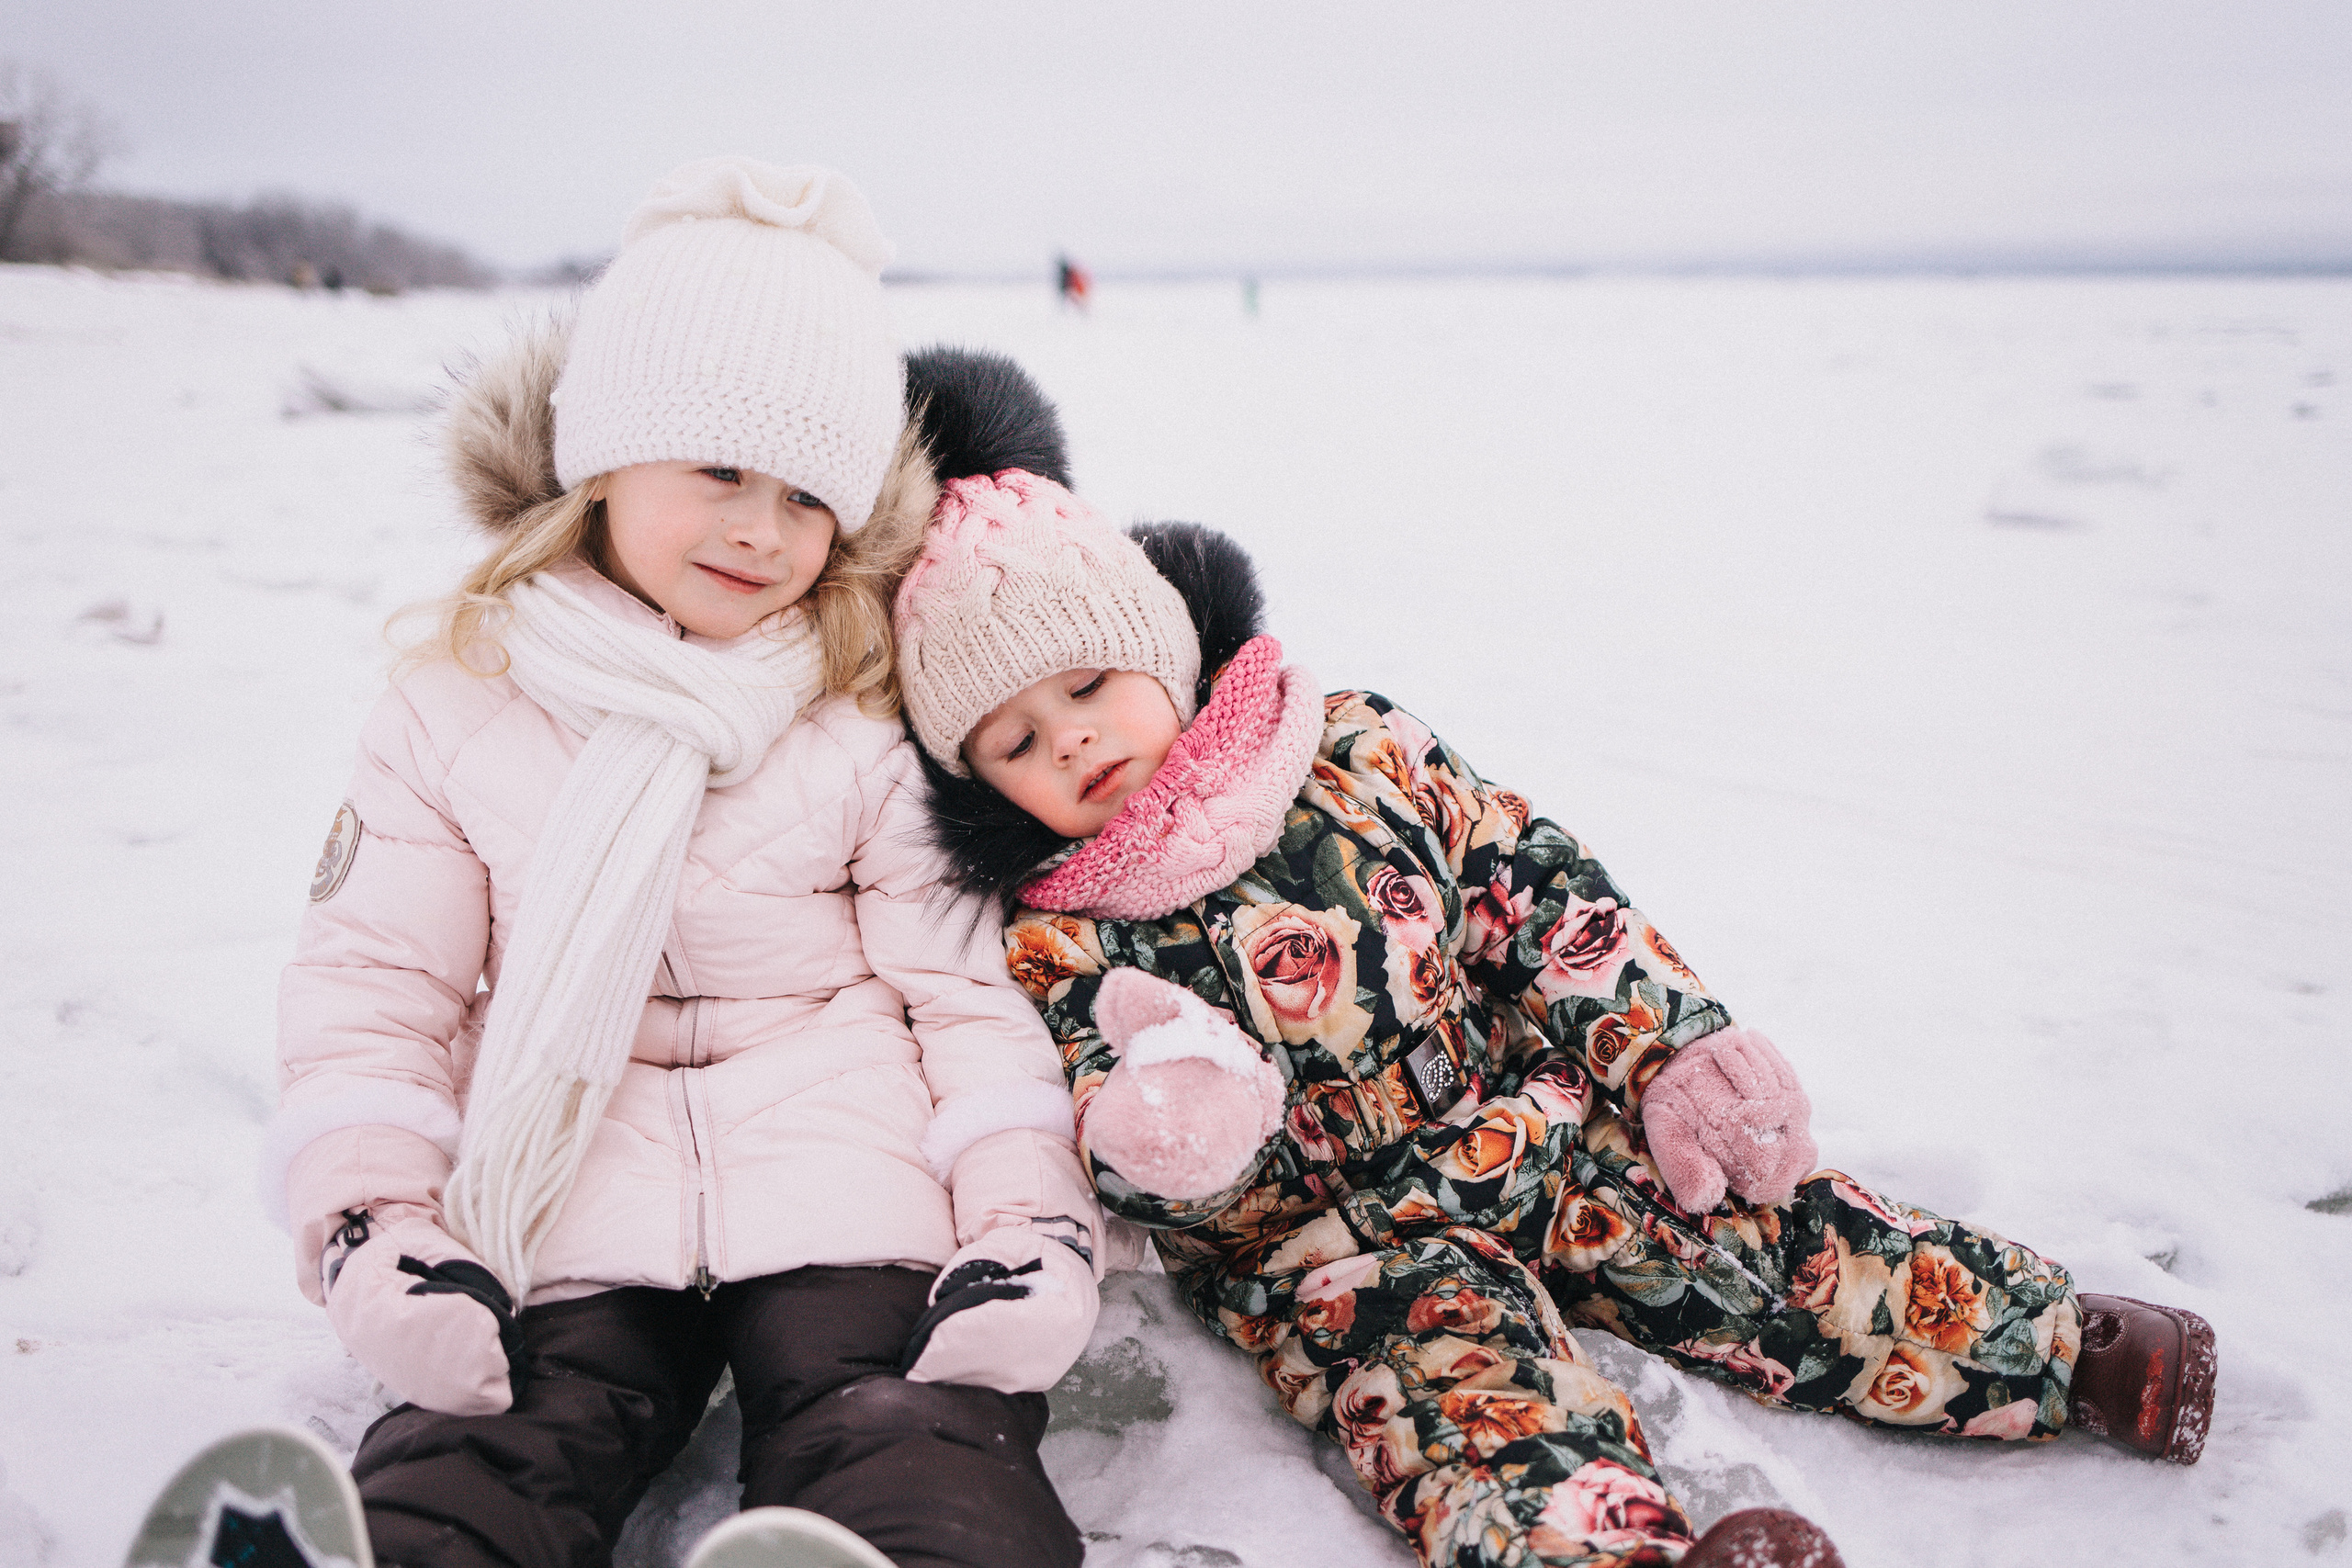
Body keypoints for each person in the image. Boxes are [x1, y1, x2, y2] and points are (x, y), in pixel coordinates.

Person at [886, 350, 2218, 1568]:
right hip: (1335, 1251)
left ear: (1165, 650)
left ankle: (2055, 1349)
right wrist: (1173, 1144)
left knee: (1751, 1245)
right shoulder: (1060, 929)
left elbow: (1535, 893)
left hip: (1534, 1124)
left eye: (1085, 688)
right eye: (1012, 741)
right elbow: (1099, 1126)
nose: (1066, 740)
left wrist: (1671, 1046)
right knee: (1456, 1408)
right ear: (986, 786)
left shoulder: (1348, 753)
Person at [224, 162, 1100, 1568]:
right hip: (563, 1165)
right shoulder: (464, 696)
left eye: (811, 497)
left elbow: (960, 993)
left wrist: (1024, 1222)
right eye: (719, 472)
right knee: (501, 1419)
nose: (764, 531)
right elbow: (382, 985)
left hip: (850, 1174)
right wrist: (375, 1217)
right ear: (602, 460)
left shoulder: (862, 695)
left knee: (902, 1415)